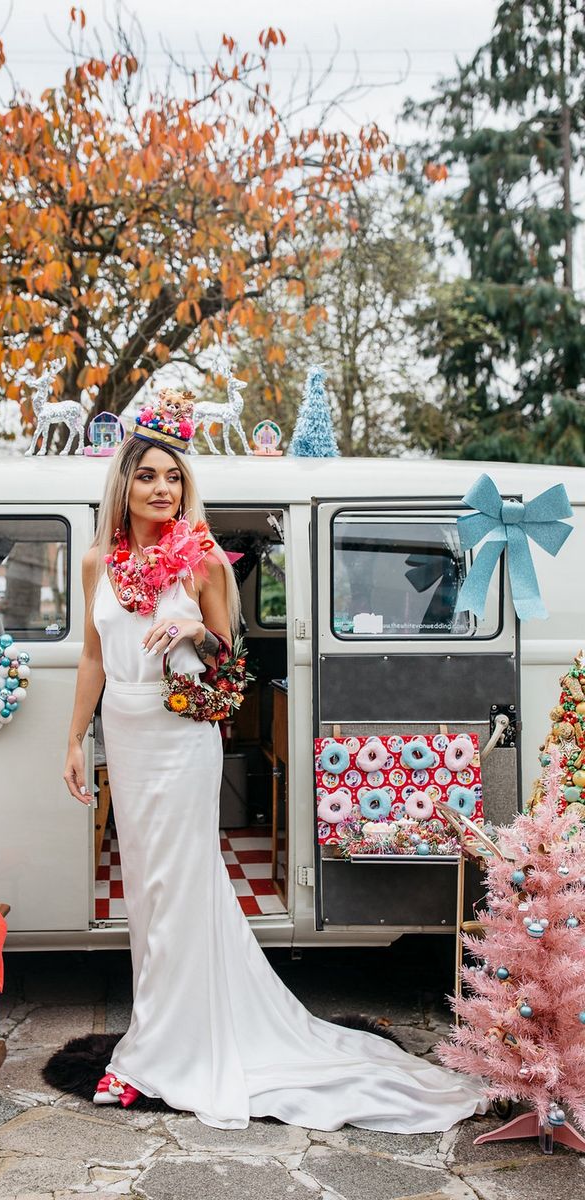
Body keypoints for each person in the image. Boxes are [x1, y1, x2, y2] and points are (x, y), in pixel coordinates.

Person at [62, 388, 488, 1133]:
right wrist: (73, 741)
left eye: (174, 478)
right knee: (147, 894)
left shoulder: (204, 563)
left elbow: (232, 661)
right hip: (125, 734)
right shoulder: (98, 562)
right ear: (123, 484)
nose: (163, 489)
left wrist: (195, 623)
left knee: (181, 882)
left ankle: (152, 1056)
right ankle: (163, 1036)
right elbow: (92, 657)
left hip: (183, 735)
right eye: (149, 476)